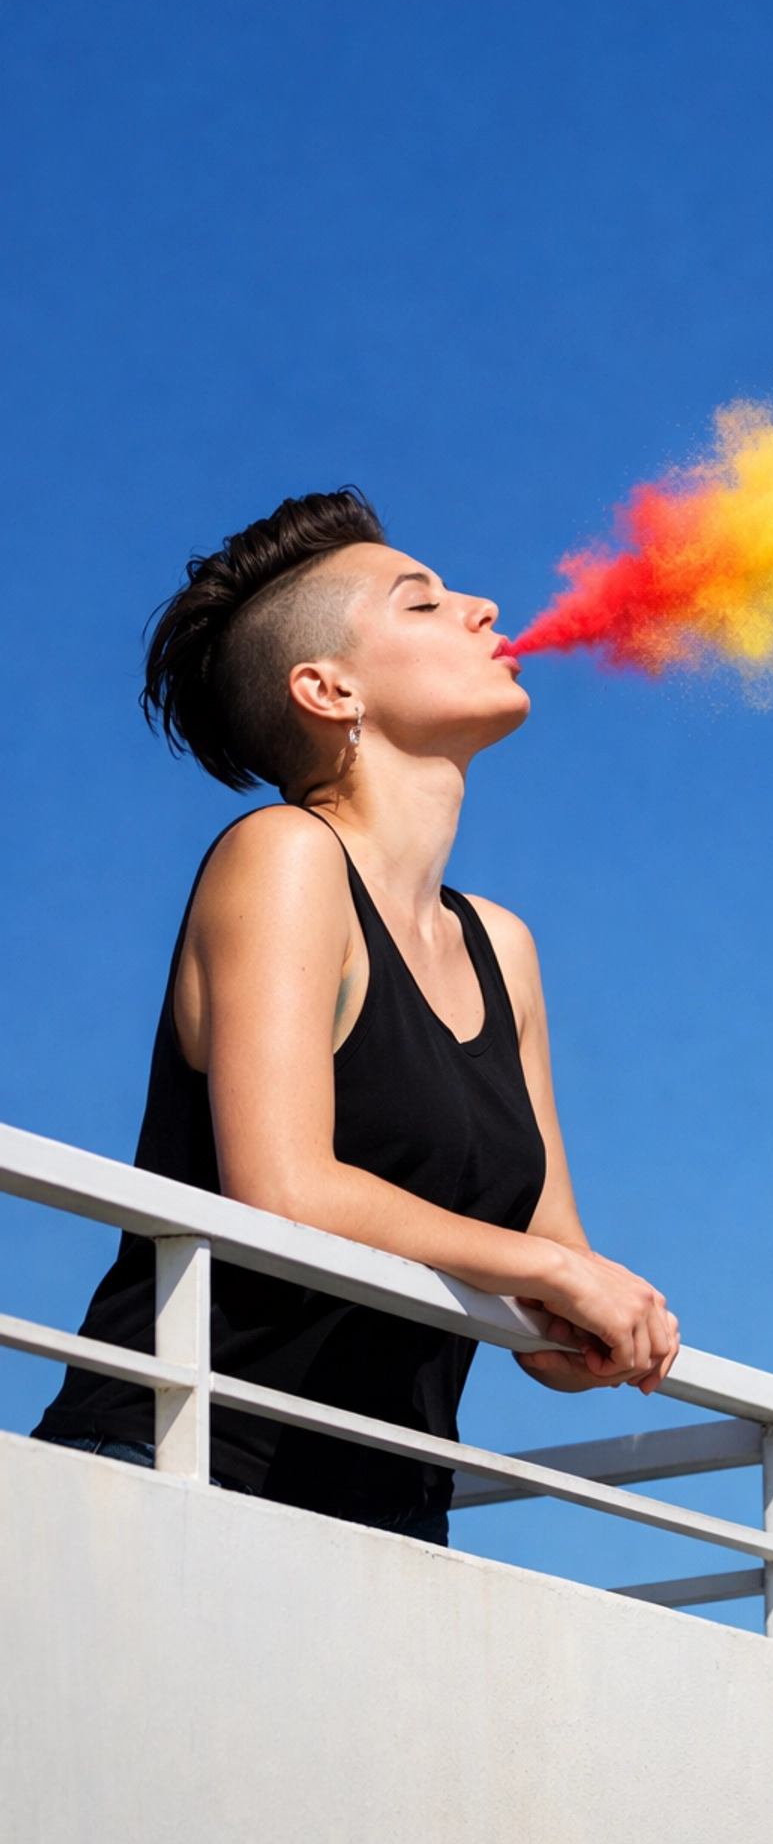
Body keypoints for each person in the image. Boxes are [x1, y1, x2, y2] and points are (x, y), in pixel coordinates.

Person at [35, 488, 678, 1544]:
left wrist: (581, 1330)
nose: (482, 608)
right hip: (174, 1471)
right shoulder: (282, 857)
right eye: (421, 604)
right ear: (328, 689)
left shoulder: (502, 949)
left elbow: (543, 1253)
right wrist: (556, 1274)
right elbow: (283, 1187)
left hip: (388, 1516)